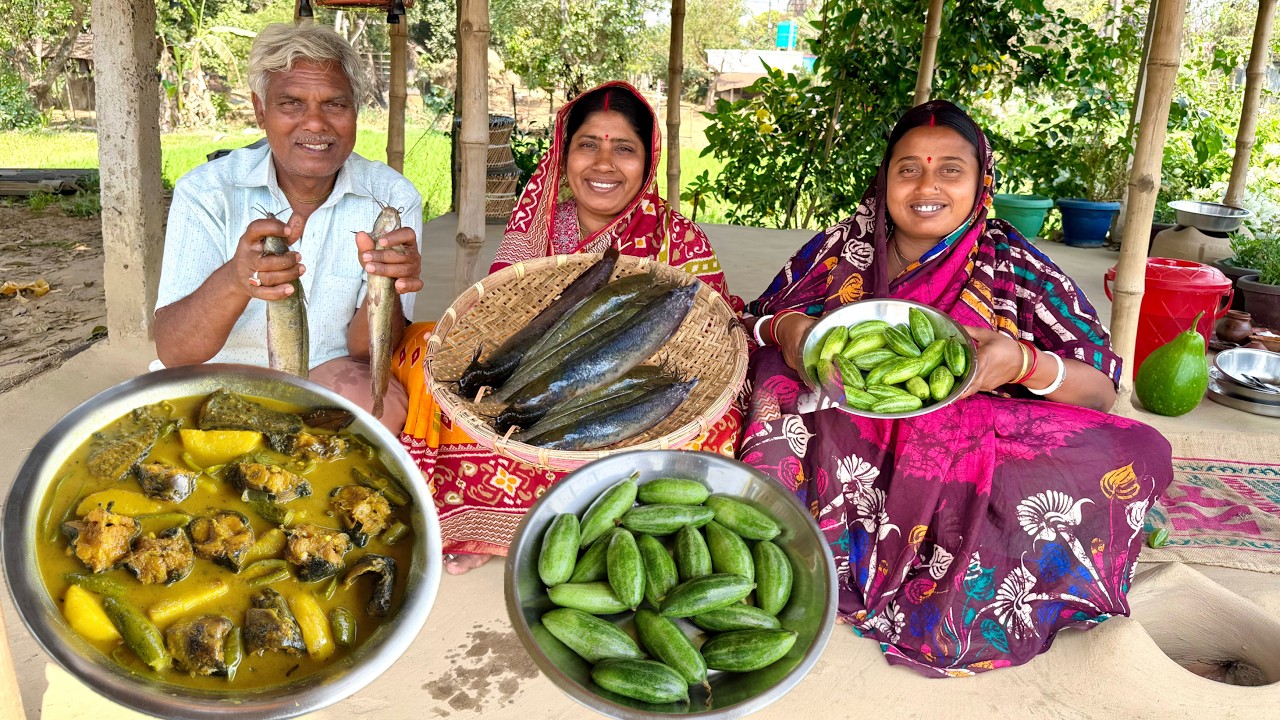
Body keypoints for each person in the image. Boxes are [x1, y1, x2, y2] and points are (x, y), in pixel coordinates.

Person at [739, 100, 1173, 676]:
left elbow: (1100, 390)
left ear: (980, 181)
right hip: (848, 441)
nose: (927, 185)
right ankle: (803, 549)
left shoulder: (1014, 264)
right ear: (885, 178)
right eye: (908, 167)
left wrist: (1021, 363)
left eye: (950, 169)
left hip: (971, 446)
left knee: (1137, 450)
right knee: (771, 380)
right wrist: (786, 327)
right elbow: (748, 323)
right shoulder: (840, 251)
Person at [393, 82, 743, 574]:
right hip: (537, 396)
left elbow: (713, 330)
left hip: (631, 402)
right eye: (587, 145)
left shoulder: (677, 236)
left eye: (624, 148)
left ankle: (592, 523)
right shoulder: (538, 226)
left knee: (717, 423)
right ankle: (489, 526)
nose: (604, 164)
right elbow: (506, 326)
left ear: (647, 160)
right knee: (422, 354)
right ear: (563, 153)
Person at [154, 22, 423, 432]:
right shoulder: (208, 191)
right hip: (220, 375)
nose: (315, 124)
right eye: (291, 103)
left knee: (379, 409)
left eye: (335, 104)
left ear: (355, 111)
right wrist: (235, 279)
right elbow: (175, 351)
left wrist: (386, 283)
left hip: (328, 373)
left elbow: (366, 353)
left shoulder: (393, 197)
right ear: (261, 110)